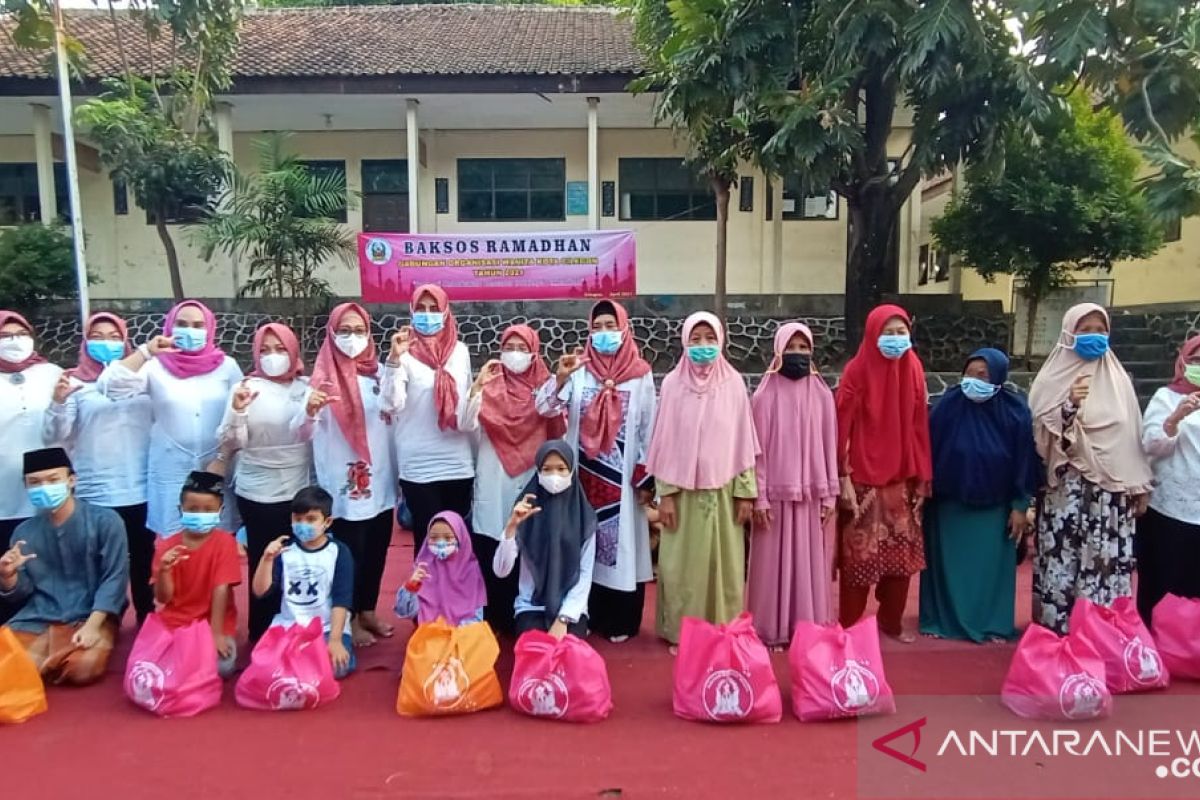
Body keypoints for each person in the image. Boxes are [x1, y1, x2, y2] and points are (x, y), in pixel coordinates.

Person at [535, 300, 657, 642]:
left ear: (624, 328)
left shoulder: (641, 373)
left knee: (621, 548)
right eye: (597, 327)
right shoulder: (579, 370)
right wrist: (560, 377)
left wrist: (645, 469)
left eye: (610, 326)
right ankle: (581, 613)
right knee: (584, 542)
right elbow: (545, 408)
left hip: (622, 477)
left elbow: (650, 425)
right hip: (583, 475)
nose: (604, 333)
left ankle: (620, 620)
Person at [1028, 302, 1153, 634]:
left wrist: (1139, 485)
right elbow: (1043, 437)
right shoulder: (1050, 379)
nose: (1094, 337)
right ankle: (1061, 635)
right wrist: (1069, 404)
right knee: (1065, 562)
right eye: (1085, 330)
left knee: (1105, 563)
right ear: (1069, 333)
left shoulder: (1118, 380)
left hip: (1110, 499)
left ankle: (1103, 633)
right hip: (1067, 495)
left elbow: (1131, 436)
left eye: (1100, 330)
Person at [648, 312, 759, 647]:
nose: (703, 347)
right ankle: (682, 634)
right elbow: (664, 442)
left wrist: (745, 493)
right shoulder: (671, 385)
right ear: (683, 342)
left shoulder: (734, 383)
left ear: (721, 341)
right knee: (681, 570)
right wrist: (664, 494)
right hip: (681, 495)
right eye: (695, 340)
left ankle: (724, 632)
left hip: (724, 493)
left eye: (709, 339)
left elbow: (744, 441)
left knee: (723, 568)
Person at [919, 348, 1039, 643]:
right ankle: (941, 621)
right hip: (948, 506)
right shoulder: (947, 406)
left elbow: (1025, 460)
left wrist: (1020, 505)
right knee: (948, 569)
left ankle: (992, 624)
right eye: (969, 374)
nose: (974, 380)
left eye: (983, 375)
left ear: (998, 376)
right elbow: (928, 451)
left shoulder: (1015, 411)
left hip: (995, 508)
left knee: (989, 573)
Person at [44, 312, 155, 626]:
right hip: (97, 489)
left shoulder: (143, 377)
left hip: (141, 484)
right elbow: (55, 435)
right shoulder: (73, 381)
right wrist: (56, 401)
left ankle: (147, 616)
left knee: (143, 558)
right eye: (98, 336)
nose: (106, 342)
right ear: (85, 341)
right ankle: (104, 620)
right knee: (100, 561)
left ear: (125, 341)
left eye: (113, 336)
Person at [99, 300, 242, 536]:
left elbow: (239, 415)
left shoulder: (227, 367)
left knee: (217, 537)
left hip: (215, 465)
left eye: (198, 325)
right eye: (182, 324)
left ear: (209, 329)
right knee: (174, 537)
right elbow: (109, 386)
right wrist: (145, 352)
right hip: (170, 466)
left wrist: (224, 458)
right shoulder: (155, 366)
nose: (190, 330)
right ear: (169, 326)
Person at [835, 304, 932, 643]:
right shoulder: (857, 370)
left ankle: (890, 621)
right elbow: (842, 423)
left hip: (900, 480)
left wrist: (922, 477)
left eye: (900, 332)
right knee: (858, 558)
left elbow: (920, 425)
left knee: (900, 559)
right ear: (873, 334)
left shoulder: (914, 368)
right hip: (862, 480)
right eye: (887, 333)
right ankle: (849, 625)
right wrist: (842, 474)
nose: (895, 339)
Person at [463, 324, 564, 634]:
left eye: (523, 348)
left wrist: (560, 380)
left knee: (528, 542)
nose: (515, 354)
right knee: (493, 540)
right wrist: (477, 386)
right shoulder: (489, 385)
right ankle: (494, 613)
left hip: (529, 476)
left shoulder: (544, 386)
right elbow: (466, 422)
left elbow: (552, 412)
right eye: (510, 347)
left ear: (534, 353)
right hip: (493, 476)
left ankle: (527, 611)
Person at [216, 322, 312, 644]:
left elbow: (309, 435)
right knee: (264, 560)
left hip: (298, 488)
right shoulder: (245, 387)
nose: (273, 356)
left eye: (280, 349)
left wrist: (312, 412)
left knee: (298, 561)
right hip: (258, 491)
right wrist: (238, 411)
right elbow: (233, 441)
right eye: (265, 350)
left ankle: (297, 629)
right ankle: (261, 634)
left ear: (293, 350)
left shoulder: (306, 387)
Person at [305, 303, 395, 647]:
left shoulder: (379, 374)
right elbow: (305, 429)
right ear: (331, 333)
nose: (352, 338)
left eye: (359, 331)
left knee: (377, 546)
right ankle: (349, 617)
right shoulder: (321, 379)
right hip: (343, 483)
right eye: (344, 330)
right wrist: (311, 411)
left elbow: (393, 408)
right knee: (349, 551)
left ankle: (369, 609)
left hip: (381, 476)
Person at [0, 447, 128, 685]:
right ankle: (45, 660)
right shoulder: (24, 532)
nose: (44, 487)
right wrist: (8, 576)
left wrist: (92, 626)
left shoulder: (106, 521)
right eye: (35, 482)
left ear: (71, 480)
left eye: (53, 479)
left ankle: (42, 663)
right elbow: (23, 591)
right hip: (38, 616)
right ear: (26, 487)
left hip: (90, 614)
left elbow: (115, 579)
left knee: (83, 668)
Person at [747, 322, 839, 647]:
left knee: (809, 565)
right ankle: (770, 630)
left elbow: (830, 446)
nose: (797, 354)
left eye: (803, 348)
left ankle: (807, 630)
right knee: (771, 567)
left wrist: (829, 495)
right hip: (774, 496)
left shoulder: (823, 395)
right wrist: (758, 498)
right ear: (778, 351)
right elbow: (755, 451)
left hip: (812, 495)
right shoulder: (763, 394)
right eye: (791, 348)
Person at [385, 284, 475, 555]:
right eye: (421, 309)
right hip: (418, 463)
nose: (427, 315)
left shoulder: (460, 351)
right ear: (411, 312)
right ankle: (424, 597)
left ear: (446, 312)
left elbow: (469, 400)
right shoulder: (403, 352)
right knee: (427, 539)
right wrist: (393, 360)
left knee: (456, 536)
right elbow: (392, 403)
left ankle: (456, 596)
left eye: (433, 309)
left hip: (457, 460)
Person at [494, 440, 597, 639]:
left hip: (571, 608)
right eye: (547, 469)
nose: (554, 476)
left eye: (561, 468)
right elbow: (501, 570)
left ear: (571, 471)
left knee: (569, 657)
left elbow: (584, 575)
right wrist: (512, 527)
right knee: (534, 656)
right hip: (531, 604)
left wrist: (563, 619)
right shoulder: (525, 511)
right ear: (538, 472)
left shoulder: (585, 518)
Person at [251, 486, 354, 679]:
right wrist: (266, 559)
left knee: (338, 667)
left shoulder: (339, 552)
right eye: (297, 519)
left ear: (327, 521)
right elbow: (260, 592)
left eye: (311, 519)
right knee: (264, 667)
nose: (303, 524)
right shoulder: (285, 551)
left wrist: (335, 640)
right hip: (289, 626)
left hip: (325, 627)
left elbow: (342, 600)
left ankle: (300, 664)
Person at [151, 471, 241, 676]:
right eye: (193, 509)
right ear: (180, 510)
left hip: (212, 622)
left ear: (221, 511)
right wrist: (164, 571)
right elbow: (163, 598)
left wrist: (216, 633)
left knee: (222, 667)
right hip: (175, 622)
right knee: (153, 663)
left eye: (208, 509)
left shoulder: (225, 543)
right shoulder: (167, 545)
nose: (200, 513)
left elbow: (221, 590)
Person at [1136, 335, 1200, 624]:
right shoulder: (1167, 396)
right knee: (1163, 582)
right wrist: (1174, 419)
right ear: (1184, 361)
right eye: (1196, 360)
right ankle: (1156, 647)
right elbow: (1150, 445)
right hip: (1170, 510)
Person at [0, 312, 62, 551]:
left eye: (22, 334)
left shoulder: (52, 374)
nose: (15, 341)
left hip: (48, 486)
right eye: (5, 336)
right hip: (4, 487)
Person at [393, 511, 486, 626]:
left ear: (460, 538)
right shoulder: (423, 568)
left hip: (463, 637)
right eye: (434, 537)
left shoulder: (470, 570)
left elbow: (476, 618)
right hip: (431, 635)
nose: (440, 542)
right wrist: (410, 587)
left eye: (448, 537)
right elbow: (404, 612)